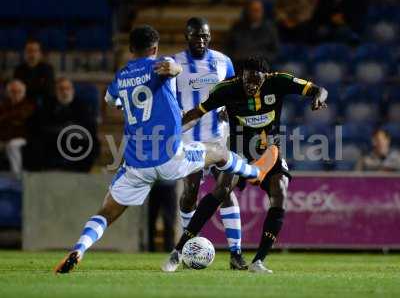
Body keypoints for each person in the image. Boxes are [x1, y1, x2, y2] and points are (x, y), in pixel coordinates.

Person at [54, 25, 275, 274]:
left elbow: (110, 100)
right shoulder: (163, 64)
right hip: (170, 157)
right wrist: (174, 70)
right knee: (220, 152)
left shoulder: (121, 76)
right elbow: (174, 68)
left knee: (106, 212)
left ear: (130, 48)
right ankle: (256, 173)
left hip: (135, 166)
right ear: (155, 48)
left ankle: (79, 249)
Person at [163, 56, 328, 273]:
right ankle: (178, 250)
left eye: (256, 82)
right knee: (221, 190)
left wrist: (317, 98)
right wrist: (171, 133)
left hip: (269, 151)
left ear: (264, 77)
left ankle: (258, 261)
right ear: (242, 76)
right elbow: (197, 113)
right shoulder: (225, 89)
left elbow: (319, 89)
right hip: (238, 150)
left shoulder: (278, 81)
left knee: (280, 192)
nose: (252, 86)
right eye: (248, 81)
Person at [173, 17, 247, 269]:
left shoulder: (223, 61)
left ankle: (236, 253)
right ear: (187, 36)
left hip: (217, 138)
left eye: (205, 36)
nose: (201, 40)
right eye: (196, 36)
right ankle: (186, 247)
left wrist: (231, 108)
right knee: (190, 194)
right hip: (188, 139)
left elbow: (236, 91)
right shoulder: (175, 63)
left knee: (225, 191)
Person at [24, 77, 99, 172]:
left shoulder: (81, 105)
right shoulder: (48, 104)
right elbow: (36, 124)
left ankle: (80, 175)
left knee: (90, 143)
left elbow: (91, 127)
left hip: (75, 140)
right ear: (56, 91)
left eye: (67, 89)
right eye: (61, 89)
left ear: (72, 90)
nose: (65, 92)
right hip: (51, 140)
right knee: (34, 143)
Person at [225, 0, 279, 67]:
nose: (256, 13)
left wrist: (260, 58)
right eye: (253, 10)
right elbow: (228, 48)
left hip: (261, 65)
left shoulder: (270, 29)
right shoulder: (237, 27)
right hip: (239, 64)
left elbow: (274, 52)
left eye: (258, 10)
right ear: (247, 11)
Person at [0, 79, 35, 177]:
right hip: (4, 137)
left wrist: (5, 118)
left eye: (19, 91)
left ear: (24, 92)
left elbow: (19, 118)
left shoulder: (29, 105)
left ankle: (16, 175)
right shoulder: (4, 105)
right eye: (13, 91)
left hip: (23, 138)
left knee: (12, 145)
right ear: (8, 93)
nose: (16, 94)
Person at [14, 39, 55, 103]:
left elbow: (49, 91)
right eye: (29, 51)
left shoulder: (47, 69)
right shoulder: (18, 69)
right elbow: (17, 90)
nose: (32, 54)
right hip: (23, 103)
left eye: (35, 51)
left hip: (42, 103)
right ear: (24, 53)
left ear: (40, 53)